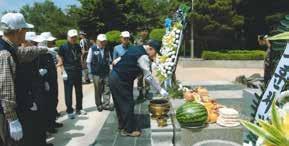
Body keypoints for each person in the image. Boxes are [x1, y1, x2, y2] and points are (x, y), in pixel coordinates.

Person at [0, 13, 48, 146]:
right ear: (19, 31)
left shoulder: (9, 46)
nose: (26, 33)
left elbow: (23, 53)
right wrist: (12, 119)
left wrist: (43, 50)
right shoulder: (4, 53)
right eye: (26, 30)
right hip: (7, 114)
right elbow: (6, 90)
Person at [109, 40, 169, 137]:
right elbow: (148, 76)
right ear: (150, 48)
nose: (155, 55)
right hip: (120, 80)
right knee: (127, 104)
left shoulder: (136, 47)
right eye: (155, 52)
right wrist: (160, 89)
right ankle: (128, 130)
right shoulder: (143, 56)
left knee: (120, 104)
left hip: (115, 76)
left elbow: (117, 60)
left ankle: (122, 126)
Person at [58, 29, 86, 119]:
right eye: (72, 37)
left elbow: (79, 57)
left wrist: (82, 67)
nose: (74, 39)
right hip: (68, 72)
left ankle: (79, 108)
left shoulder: (77, 46)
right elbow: (60, 58)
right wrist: (63, 71)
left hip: (77, 71)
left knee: (79, 91)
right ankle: (69, 110)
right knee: (68, 92)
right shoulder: (63, 47)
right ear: (68, 37)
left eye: (75, 37)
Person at [87, 34, 112, 112]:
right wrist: (90, 73)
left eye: (104, 41)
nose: (102, 43)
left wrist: (110, 70)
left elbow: (109, 61)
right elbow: (88, 61)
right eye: (100, 41)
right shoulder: (92, 49)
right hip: (96, 74)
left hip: (106, 73)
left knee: (107, 88)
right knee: (98, 90)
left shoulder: (107, 49)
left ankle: (106, 104)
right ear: (97, 41)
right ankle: (99, 104)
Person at [134, 29, 150, 100]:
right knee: (140, 78)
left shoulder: (150, 41)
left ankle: (146, 92)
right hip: (139, 63)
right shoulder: (137, 41)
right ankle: (140, 93)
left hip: (147, 63)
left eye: (145, 31)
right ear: (140, 33)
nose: (144, 33)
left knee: (147, 78)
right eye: (143, 31)